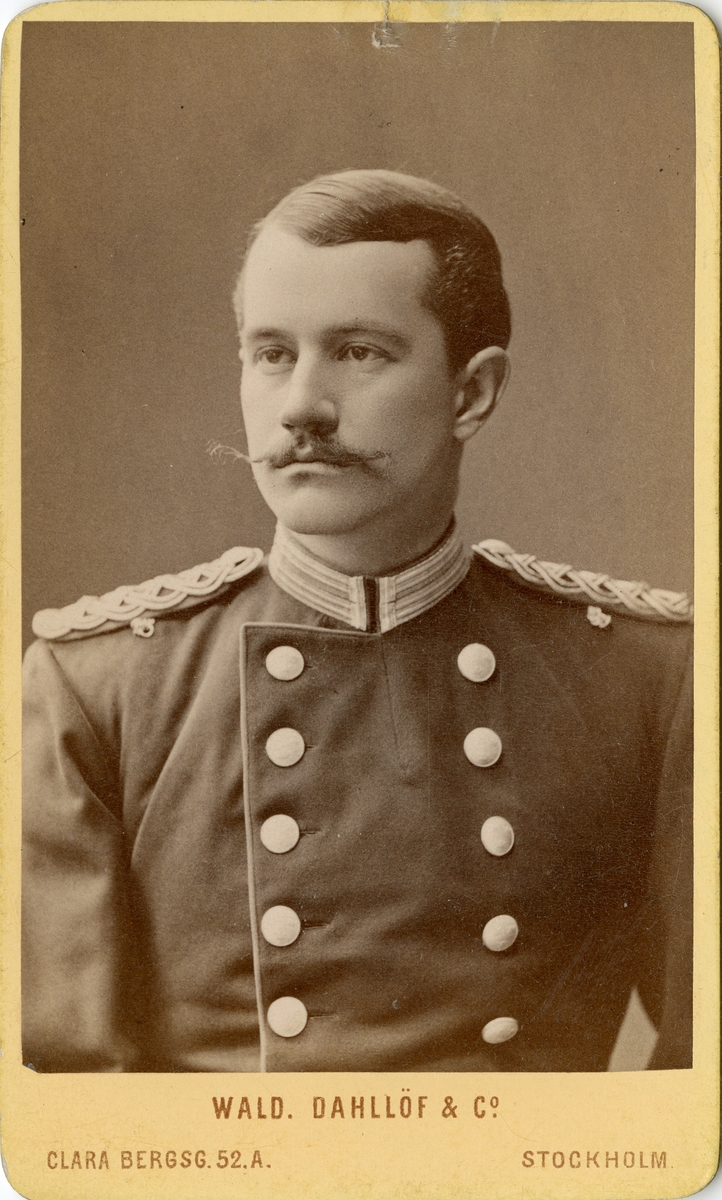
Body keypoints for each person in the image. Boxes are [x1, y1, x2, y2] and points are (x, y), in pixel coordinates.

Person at [22, 170, 693, 1074]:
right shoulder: (97, 686)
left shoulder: (649, 680)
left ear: (472, 393)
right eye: (271, 354)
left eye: (358, 352)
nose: (302, 406)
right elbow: (69, 1103)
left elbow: (702, 1086)